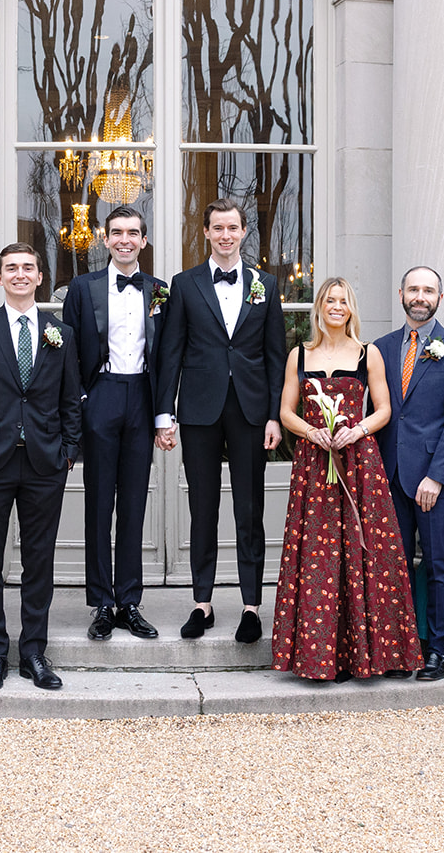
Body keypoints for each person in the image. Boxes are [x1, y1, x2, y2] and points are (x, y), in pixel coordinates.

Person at [272, 278, 421, 681]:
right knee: (319, 557)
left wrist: (357, 430)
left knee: (366, 551)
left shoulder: (367, 353)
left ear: (351, 309)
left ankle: (378, 654)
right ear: (318, 308)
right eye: (329, 300)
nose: (336, 307)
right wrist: (309, 431)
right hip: (315, 463)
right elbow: (286, 411)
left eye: (343, 301)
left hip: (358, 462)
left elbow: (385, 408)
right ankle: (323, 657)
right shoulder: (298, 355)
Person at [156, 198, 286, 644]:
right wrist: (164, 414)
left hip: (250, 411)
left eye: (233, 227)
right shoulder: (185, 284)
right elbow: (170, 352)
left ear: (244, 231)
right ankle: (202, 603)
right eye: (218, 228)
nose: (226, 235)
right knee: (203, 508)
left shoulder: (266, 284)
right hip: (199, 409)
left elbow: (275, 356)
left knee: (250, 509)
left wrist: (274, 415)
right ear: (206, 233)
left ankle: (251, 606)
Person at [0, 243, 83, 692]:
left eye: (28, 268)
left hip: (46, 462)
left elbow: (71, 400)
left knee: (39, 561)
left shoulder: (59, 332)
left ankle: (33, 653)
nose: (20, 274)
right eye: (12, 268)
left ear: (40, 276)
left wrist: (69, 451)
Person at [61, 205, 166, 641]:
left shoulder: (159, 290)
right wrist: (80, 401)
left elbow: (168, 355)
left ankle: (130, 601)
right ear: (105, 239)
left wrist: (164, 412)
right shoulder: (82, 288)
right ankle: (102, 602)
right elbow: (66, 353)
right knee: (99, 504)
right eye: (117, 232)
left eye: (133, 233)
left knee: (134, 506)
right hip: (99, 396)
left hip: (142, 396)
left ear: (143, 241)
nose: (125, 240)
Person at [371, 266, 444, 680]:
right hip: (390, 474)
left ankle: (436, 649)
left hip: (436, 478)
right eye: (413, 288)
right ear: (400, 293)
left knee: (436, 564)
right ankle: (399, 647)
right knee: (393, 564)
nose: (420, 296)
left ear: (440, 297)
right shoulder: (379, 348)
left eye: (428, 290)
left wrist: (437, 475)